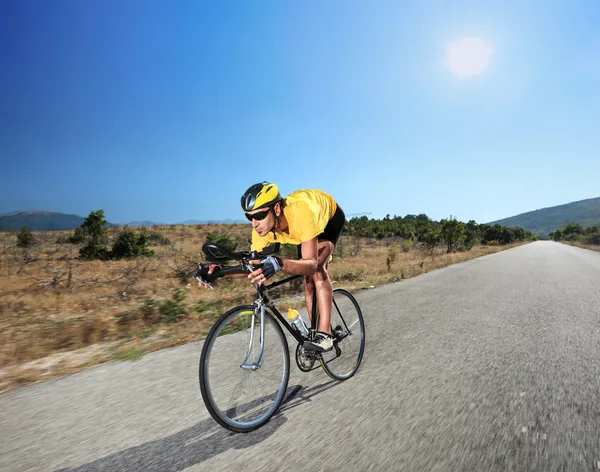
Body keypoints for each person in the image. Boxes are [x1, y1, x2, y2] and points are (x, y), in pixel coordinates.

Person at [199, 181, 345, 352]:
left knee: (317, 270)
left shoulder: (302, 213)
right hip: (301, 231)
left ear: (276, 209)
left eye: (259, 216)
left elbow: (311, 265)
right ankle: (314, 335)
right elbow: (252, 265)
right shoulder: (260, 230)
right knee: (308, 282)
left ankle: (325, 334)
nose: (254, 223)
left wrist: (279, 263)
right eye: (249, 217)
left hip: (327, 218)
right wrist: (220, 273)